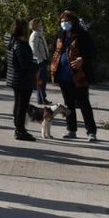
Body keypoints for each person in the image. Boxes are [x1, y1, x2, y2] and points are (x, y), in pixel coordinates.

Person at [51, 10, 98, 142]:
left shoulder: (82, 35)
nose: (64, 23)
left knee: (84, 103)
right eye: (62, 21)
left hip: (79, 76)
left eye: (67, 21)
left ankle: (91, 131)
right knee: (68, 104)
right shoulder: (60, 35)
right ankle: (71, 130)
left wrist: (82, 59)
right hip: (63, 75)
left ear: (73, 22)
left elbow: (93, 52)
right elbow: (54, 51)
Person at [5, 19, 38, 141]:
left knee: (18, 103)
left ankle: (18, 126)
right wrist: (36, 65)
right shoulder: (19, 44)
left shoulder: (11, 41)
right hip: (22, 79)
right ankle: (20, 129)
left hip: (16, 78)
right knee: (22, 106)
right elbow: (25, 65)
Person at [28, 18, 51, 104]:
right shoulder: (35, 35)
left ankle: (42, 99)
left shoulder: (40, 34)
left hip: (43, 60)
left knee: (42, 81)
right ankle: (41, 99)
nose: (40, 25)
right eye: (38, 24)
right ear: (33, 25)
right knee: (41, 81)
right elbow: (34, 50)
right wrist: (40, 60)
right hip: (39, 61)